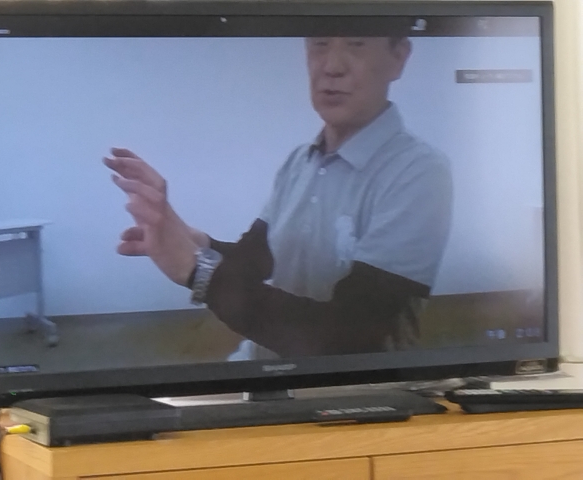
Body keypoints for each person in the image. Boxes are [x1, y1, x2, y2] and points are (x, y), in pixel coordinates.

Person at [103, 36, 453, 360]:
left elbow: (350, 338)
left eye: (356, 43)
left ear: (398, 57)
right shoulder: (299, 160)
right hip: (265, 374)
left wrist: (196, 269)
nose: (332, 66)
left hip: (353, 395)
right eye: (319, 44)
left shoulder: (419, 171)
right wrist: (184, 236)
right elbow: (254, 261)